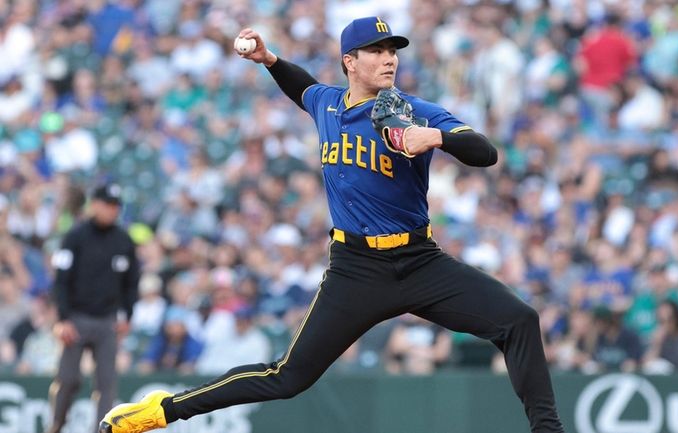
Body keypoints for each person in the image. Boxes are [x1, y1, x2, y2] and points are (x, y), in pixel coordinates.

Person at [100, 17, 564, 433]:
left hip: (421, 261)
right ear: (350, 61)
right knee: (287, 378)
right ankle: (161, 411)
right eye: (377, 51)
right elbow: (301, 87)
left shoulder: (411, 111)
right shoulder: (327, 103)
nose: (389, 59)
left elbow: (485, 152)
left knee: (519, 320)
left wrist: (438, 137)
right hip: (355, 268)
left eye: (393, 51)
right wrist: (269, 60)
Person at [49, 182, 139, 433]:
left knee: (107, 383)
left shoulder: (123, 240)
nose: (113, 211)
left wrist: (128, 314)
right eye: (108, 205)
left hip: (107, 320)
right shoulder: (75, 237)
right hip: (76, 318)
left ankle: (102, 431)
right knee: (67, 380)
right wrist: (62, 318)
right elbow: (61, 280)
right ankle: (56, 425)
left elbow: (132, 282)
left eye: (116, 207)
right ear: (95, 205)